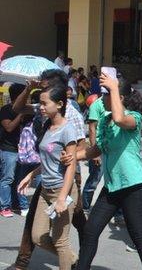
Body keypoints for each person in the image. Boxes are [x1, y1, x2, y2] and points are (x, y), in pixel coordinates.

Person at [69, 73, 142, 270]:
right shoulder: (106, 119)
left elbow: (120, 119)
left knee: (138, 235)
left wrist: (114, 87)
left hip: (133, 187)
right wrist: (74, 156)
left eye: (105, 95)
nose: (101, 99)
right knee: (90, 230)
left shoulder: (134, 118)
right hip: (112, 187)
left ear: (119, 97)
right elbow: (97, 149)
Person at [12, 69, 87, 270]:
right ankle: (73, 258)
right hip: (47, 180)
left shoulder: (71, 118)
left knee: (72, 229)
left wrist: (70, 157)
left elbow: (81, 150)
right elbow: (17, 108)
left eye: (44, 87)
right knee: (37, 233)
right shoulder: (45, 107)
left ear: (58, 93)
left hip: (66, 181)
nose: (41, 92)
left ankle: (83, 256)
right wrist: (32, 173)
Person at [0, 83, 25, 217]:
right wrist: (20, 116)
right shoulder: (6, 110)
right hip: (8, 149)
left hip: (21, 149)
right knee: (7, 178)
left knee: (17, 178)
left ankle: (15, 202)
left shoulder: (26, 109)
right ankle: (5, 206)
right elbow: (9, 127)